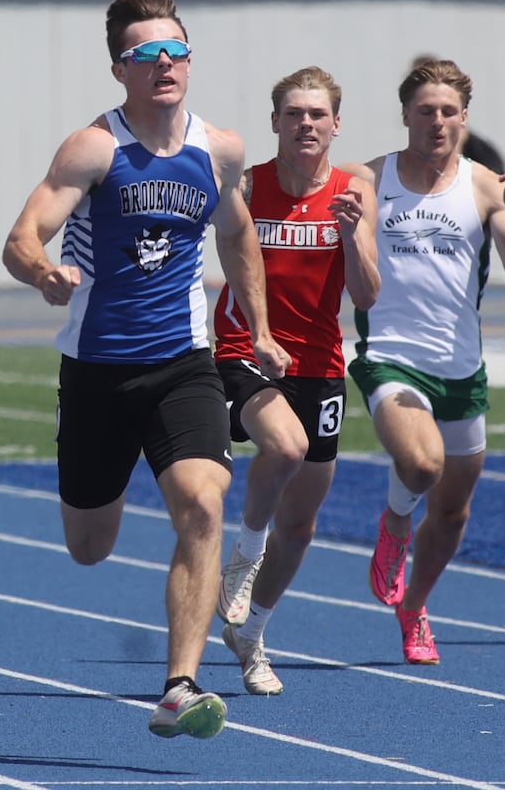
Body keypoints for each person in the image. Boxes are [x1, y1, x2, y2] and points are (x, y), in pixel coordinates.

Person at [1, 0, 288, 739]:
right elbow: (22, 235)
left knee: (201, 504)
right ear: (119, 69)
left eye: (174, 51)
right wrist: (41, 274)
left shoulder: (219, 149)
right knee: (89, 548)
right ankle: (104, 494)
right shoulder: (93, 149)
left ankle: (179, 687)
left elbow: (238, 235)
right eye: (145, 55)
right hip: (96, 369)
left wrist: (257, 326)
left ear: (189, 60)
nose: (163, 65)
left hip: (182, 364)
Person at [352, 58, 505, 666]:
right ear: (405, 114)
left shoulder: (485, 184)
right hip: (391, 356)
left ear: (464, 117)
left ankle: (416, 607)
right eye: (425, 111)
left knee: (455, 509)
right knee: (421, 462)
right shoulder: (367, 179)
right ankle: (395, 522)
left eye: (448, 112)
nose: (437, 122)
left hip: (461, 367)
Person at [213, 66, 379, 696]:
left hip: (320, 362)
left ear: (336, 125)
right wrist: (258, 331)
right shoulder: (247, 186)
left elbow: (368, 293)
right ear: (276, 123)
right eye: (294, 113)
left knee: (303, 522)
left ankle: (252, 635)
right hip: (245, 349)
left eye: (317, 115)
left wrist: (349, 234)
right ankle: (244, 555)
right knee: (285, 446)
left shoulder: (352, 191)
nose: (305, 123)